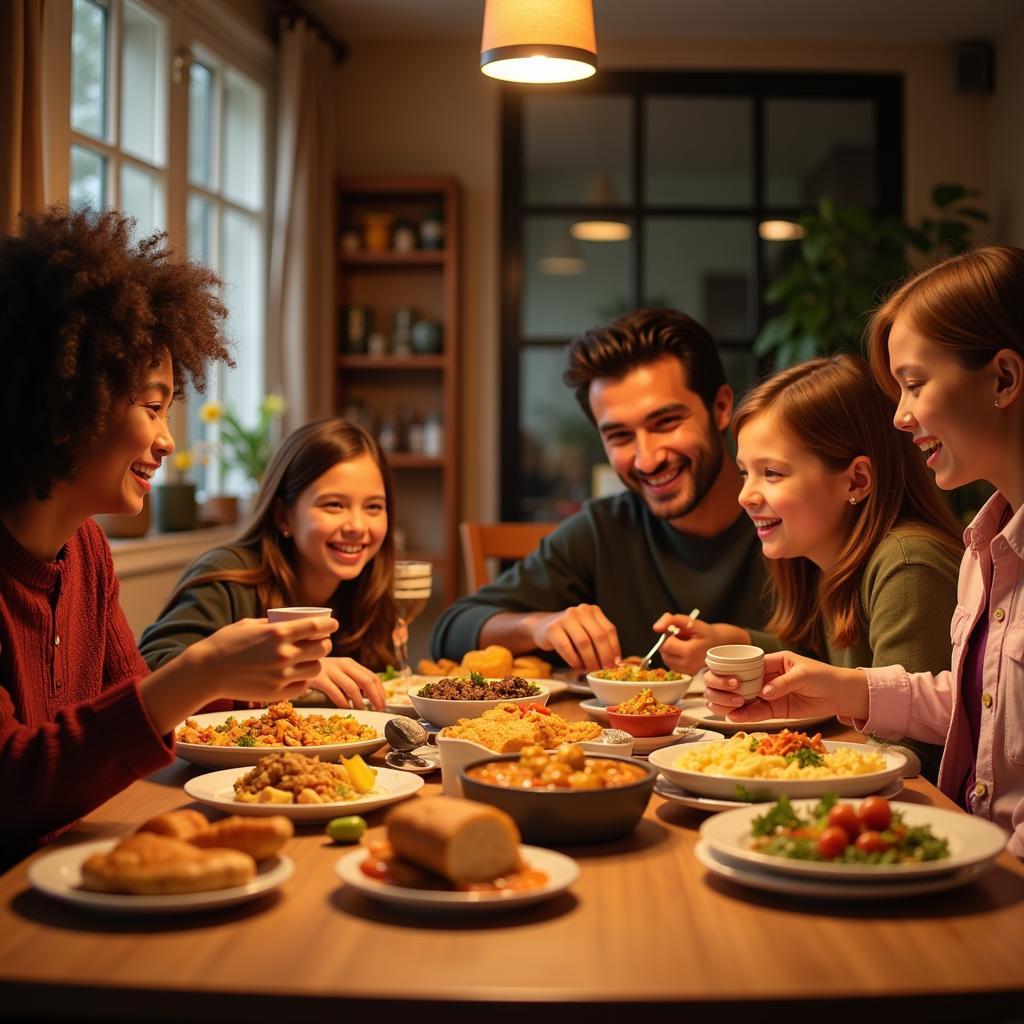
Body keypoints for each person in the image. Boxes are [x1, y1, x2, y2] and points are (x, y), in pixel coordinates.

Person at [0, 207, 336, 866]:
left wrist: (253, 679)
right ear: (71, 400)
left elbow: (129, 707)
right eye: (152, 407)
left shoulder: (85, 552)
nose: (166, 440)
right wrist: (203, 668)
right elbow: (13, 785)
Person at [705, 246, 1024, 855]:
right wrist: (843, 689)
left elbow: (918, 761)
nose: (900, 416)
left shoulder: (910, 559)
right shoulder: (986, 549)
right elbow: (973, 706)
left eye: (912, 384)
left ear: (1004, 379)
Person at [431, 308, 775, 674]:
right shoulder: (602, 531)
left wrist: (746, 645)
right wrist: (539, 626)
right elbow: (450, 630)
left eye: (666, 422)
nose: (646, 459)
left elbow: (838, 653)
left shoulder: (789, 518)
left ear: (721, 408)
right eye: (620, 436)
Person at [680, 354, 961, 780]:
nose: (745, 496)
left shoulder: (907, 564)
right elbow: (823, 666)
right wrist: (736, 642)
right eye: (744, 473)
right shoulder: (830, 555)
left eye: (771, 473)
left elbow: (910, 750)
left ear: (856, 481)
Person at [140, 419, 395, 710]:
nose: (357, 526)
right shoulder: (227, 576)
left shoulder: (369, 588)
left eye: (373, 507)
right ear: (283, 516)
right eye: (334, 505)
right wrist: (297, 673)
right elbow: (148, 670)